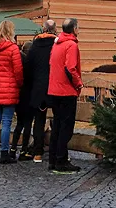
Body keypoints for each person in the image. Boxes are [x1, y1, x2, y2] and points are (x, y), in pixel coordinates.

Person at [0, 19, 25, 164]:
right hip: (9, 89)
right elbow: (18, 71)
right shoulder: (13, 49)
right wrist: (19, 84)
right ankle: (4, 153)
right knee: (7, 122)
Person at [47, 17, 83, 174]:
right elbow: (70, 68)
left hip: (54, 90)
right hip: (66, 91)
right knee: (66, 128)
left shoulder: (57, 44)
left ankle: (53, 159)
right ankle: (61, 160)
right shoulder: (71, 45)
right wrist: (78, 84)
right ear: (74, 29)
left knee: (57, 126)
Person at [19, 20, 59, 161]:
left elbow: (28, 67)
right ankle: (56, 151)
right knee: (57, 119)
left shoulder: (35, 45)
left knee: (39, 120)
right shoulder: (57, 45)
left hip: (38, 87)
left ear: (43, 29)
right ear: (55, 29)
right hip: (54, 86)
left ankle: (37, 152)